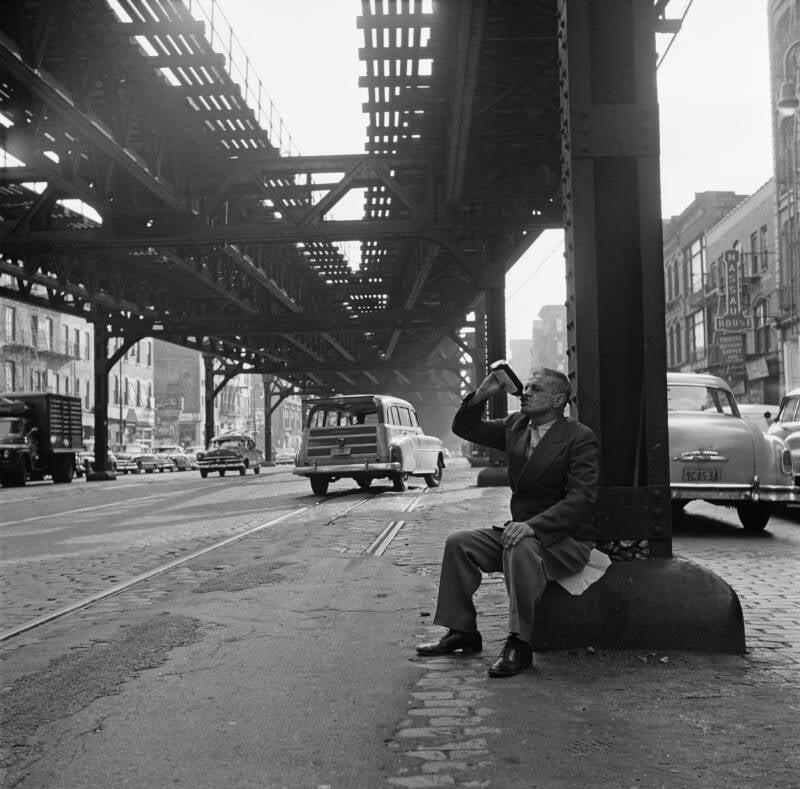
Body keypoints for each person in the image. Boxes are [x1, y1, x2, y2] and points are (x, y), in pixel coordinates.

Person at [416, 367, 599, 677]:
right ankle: (463, 631)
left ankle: (519, 643)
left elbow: (581, 499)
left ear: (558, 400)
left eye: (536, 389)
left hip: (565, 539)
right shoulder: (516, 425)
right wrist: (483, 394)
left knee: (519, 547)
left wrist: (533, 526)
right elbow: (465, 427)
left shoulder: (579, 437)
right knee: (459, 543)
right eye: (525, 387)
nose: (525, 393)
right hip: (521, 532)